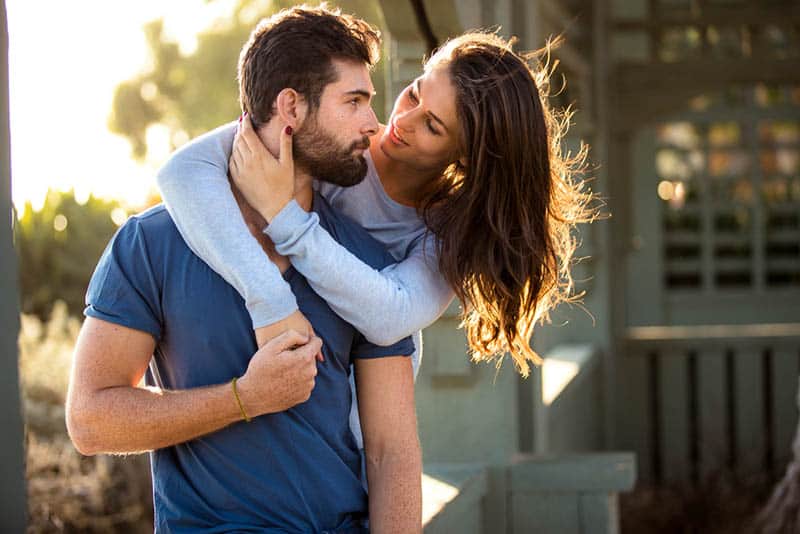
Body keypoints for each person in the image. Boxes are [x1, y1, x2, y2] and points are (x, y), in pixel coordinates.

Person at [66, 6, 422, 533]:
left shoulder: (364, 262)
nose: (374, 124)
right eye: (354, 101)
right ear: (290, 108)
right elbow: (91, 419)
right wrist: (244, 398)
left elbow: (392, 453)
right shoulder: (153, 243)